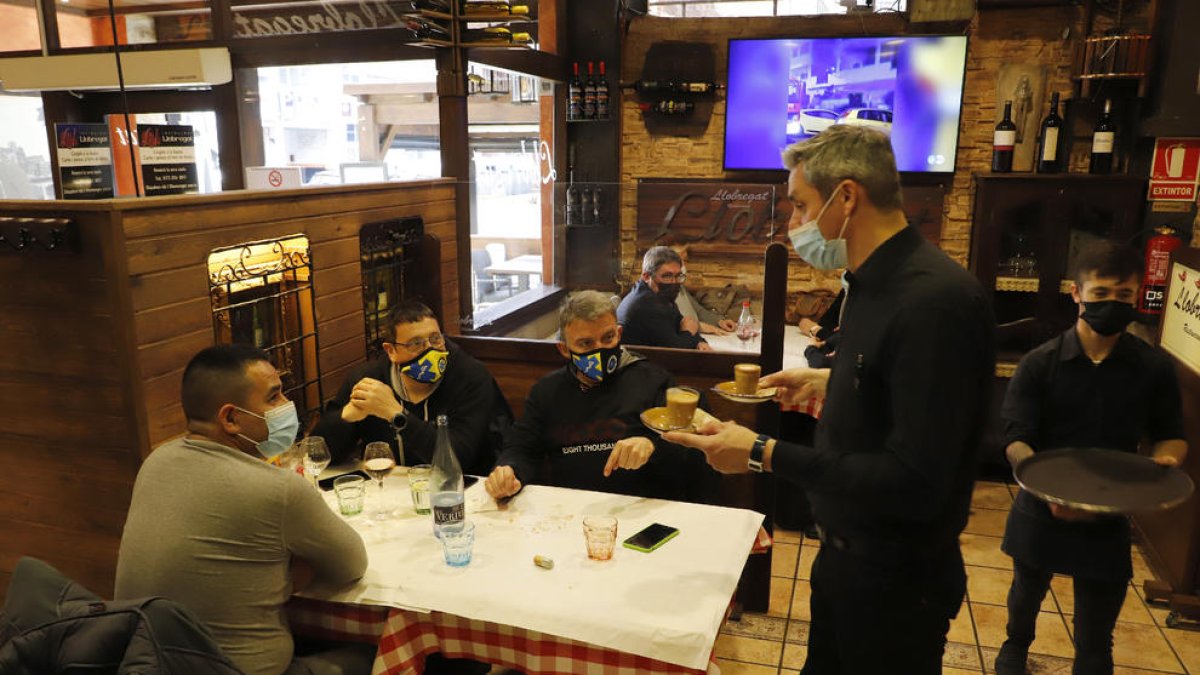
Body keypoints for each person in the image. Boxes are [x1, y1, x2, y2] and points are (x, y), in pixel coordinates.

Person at [666, 125, 995, 675]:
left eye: (800, 205)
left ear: (846, 197)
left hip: (896, 582)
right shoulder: (866, 286)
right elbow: (893, 385)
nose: (792, 224)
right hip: (843, 560)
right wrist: (833, 381)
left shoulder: (936, 302)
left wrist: (762, 453)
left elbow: (915, 479)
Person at [115, 345, 371, 675]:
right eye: (274, 397)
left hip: (145, 665)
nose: (287, 405)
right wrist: (289, 571)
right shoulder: (278, 489)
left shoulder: (155, 462)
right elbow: (351, 565)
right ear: (231, 419)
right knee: (380, 656)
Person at [994, 242, 1186, 675]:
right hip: (1041, 508)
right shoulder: (1040, 364)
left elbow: (1171, 436)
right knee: (1025, 596)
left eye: (1123, 295)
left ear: (1136, 296)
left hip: (1108, 512)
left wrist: (1166, 463)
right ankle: (1014, 648)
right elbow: (1016, 439)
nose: (1111, 304)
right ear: (1077, 293)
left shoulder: (1152, 368)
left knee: (1096, 641)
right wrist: (1045, 489)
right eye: (1100, 294)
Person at [484, 290, 713, 502]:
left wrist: (651, 445)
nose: (599, 349)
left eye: (608, 338)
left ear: (619, 334)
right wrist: (509, 470)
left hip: (640, 507)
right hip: (571, 508)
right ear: (564, 349)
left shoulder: (654, 381)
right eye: (586, 343)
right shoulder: (546, 391)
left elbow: (686, 446)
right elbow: (522, 447)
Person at [312, 300, 511, 475]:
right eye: (416, 343)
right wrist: (346, 416)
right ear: (391, 351)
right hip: (390, 489)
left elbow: (459, 458)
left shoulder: (470, 376)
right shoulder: (368, 380)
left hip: (460, 489)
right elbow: (317, 456)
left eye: (435, 339)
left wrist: (397, 415)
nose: (430, 350)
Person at [616, 246, 713, 350]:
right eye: (667, 276)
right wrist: (689, 332)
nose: (674, 282)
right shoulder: (645, 304)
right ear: (646, 276)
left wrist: (700, 341)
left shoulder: (659, 295)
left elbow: (680, 323)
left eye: (678, 276)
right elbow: (675, 350)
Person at [669, 243, 737, 336]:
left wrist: (720, 321)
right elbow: (671, 321)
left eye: (685, 260)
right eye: (680, 261)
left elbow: (699, 311)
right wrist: (700, 326)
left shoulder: (680, 287)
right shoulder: (661, 292)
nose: (684, 265)